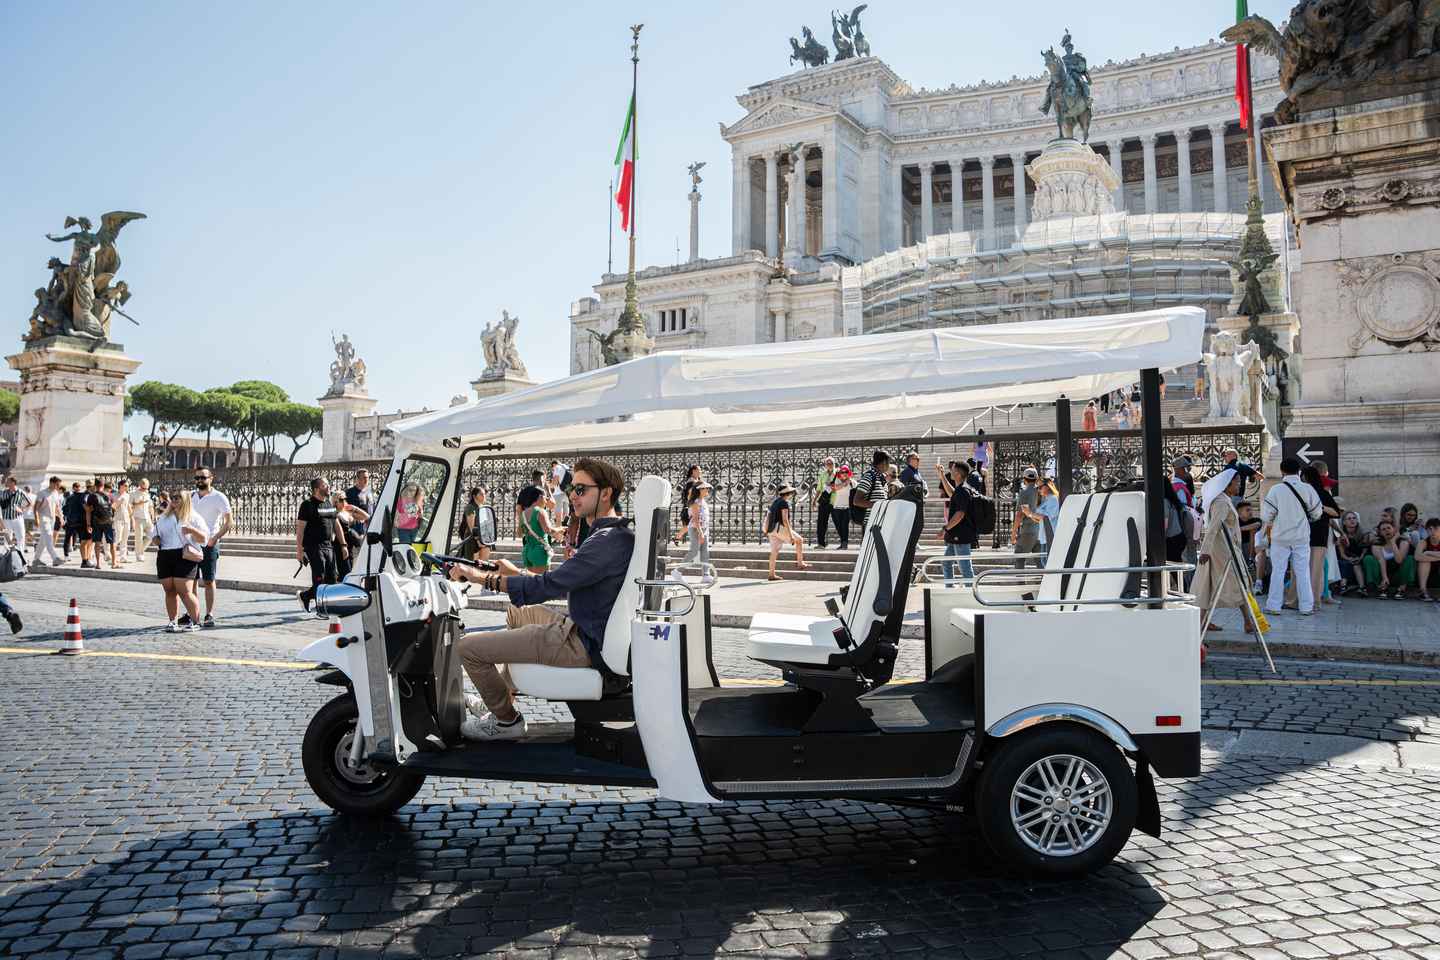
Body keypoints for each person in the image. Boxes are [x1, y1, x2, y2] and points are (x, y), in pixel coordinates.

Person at [447, 458, 636, 741]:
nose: (572, 495)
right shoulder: (611, 535)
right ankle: (503, 697)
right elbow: (564, 583)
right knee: (516, 613)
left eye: (582, 489)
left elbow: (549, 585)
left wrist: (478, 577)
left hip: (582, 644)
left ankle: (506, 720)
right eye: (572, 488)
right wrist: (517, 573)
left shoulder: (605, 540)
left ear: (606, 493)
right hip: (583, 629)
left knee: (467, 648)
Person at [1261, 456, 1322, 616]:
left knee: (1278, 571)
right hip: (1301, 536)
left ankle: (1274, 606)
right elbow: (1317, 513)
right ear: (1299, 471)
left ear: (1281, 471)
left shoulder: (1276, 490)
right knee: (1302, 571)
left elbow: (1267, 516)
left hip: (1280, 537)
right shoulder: (1308, 489)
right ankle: (1306, 607)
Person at [1193, 468, 1251, 633]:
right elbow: (1213, 528)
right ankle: (1248, 621)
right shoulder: (1221, 502)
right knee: (1239, 584)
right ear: (1228, 483)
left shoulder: (1224, 500)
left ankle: (1202, 622)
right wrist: (1205, 550)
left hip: (1221, 550)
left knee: (1209, 586)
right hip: (1223, 551)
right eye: (1237, 482)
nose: (1239, 485)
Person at [151, 488, 209, 633]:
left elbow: (204, 540)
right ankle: (173, 622)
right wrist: (155, 540)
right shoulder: (164, 517)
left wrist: (192, 531)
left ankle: (196, 621)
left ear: (186, 499)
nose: (175, 500)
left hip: (184, 555)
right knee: (169, 590)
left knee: (185, 591)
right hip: (165, 554)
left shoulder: (194, 517)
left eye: (178, 497)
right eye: (173, 497)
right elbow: (154, 536)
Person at [188, 469, 233, 628]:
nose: (199, 480)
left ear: (211, 478)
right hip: (192, 544)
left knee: (208, 580)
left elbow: (228, 522)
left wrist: (215, 538)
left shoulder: (219, 497)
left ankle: (209, 614)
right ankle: (192, 614)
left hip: (209, 544)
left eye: (203, 477)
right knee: (190, 581)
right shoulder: (191, 496)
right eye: (197, 477)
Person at [296, 477, 341, 611]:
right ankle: (321, 608)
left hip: (328, 546)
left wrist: (343, 545)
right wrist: (299, 550)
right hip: (313, 546)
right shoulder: (307, 505)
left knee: (332, 579)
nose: (328, 487)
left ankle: (305, 596)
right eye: (324, 485)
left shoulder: (328, 504)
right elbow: (300, 529)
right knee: (319, 578)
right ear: (316, 489)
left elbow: (336, 524)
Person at [1301, 464, 1341, 608]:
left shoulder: (1322, 493)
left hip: (1318, 535)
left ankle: (1314, 601)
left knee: (1316, 570)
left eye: (1304, 477)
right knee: (1303, 570)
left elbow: (1336, 512)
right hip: (1302, 535)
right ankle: (1304, 599)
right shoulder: (1301, 493)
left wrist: (1320, 507)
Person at [939, 461, 977, 585]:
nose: (951, 471)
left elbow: (960, 514)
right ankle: (950, 588)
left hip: (961, 536)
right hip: (955, 535)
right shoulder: (961, 489)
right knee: (946, 562)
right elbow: (952, 494)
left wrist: (945, 528)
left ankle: (972, 594)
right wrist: (942, 476)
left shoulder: (963, 491)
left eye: (953, 469)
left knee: (965, 567)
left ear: (958, 474)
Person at [765, 483, 809, 581]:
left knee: (774, 551)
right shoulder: (784, 503)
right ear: (788, 493)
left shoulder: (776, 502)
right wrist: (790, 535)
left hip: (771, 530)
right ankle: (800, 562)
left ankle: (771, 574)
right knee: (799, 540)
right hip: (779, 529)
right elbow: (785, 520)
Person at [1363, 519, 1415, 599]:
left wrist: (1393, 542)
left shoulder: (1403, 542)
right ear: (1380, 533)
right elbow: (1381, 559)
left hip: (1398, 575)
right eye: (1383, 529)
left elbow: (1399, 560)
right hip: (1382, 574)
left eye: (1388, 528)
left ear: (1394, 529)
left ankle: (1401, 589)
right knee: (1368, 558)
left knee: (1410, 559)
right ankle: (1382, 588)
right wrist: (1384, 577)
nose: (1387, 530)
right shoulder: (1377, 544)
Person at [519, 486, 563, 574]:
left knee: (530, 581)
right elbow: (548, 530)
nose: (546, 500)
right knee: (542, 582)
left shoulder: (523, 513)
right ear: (540, 497)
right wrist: (560, 529)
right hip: (540, 550)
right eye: (545, 497)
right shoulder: (540, 511)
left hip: (527, 550)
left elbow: (519, 533)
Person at [1011, 467, 1043, 569]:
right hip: (1040, 530)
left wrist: (1014, 532)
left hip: (1028, 530)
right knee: (1040, 560)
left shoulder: (1024, 493)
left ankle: (1020, 583)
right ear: (1037, 478)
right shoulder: (1041, 492)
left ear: (1024, 479)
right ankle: (1044, 582)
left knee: (1019, 557)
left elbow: (1020, 514)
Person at [332, 491, 369, 580]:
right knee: (345, 571)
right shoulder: (334, 513)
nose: (344, 501)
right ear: (335, 502)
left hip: (350, 544)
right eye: (341, 499)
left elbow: (366, 516)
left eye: (345, 499)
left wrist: (355, 508)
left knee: (351, 568)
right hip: (340, 544)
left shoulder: (348, 512)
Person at [852, 450, 890, 531]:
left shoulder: (882, 478)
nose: (889, 466)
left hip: (881, 523)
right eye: (888, 463)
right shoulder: (869, 477)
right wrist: (878, 505)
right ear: (883, 463)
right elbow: (856, 501)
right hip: (871, 525)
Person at [32, 476, 65, 567]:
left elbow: (57, 507)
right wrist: (37, 519)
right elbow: (35, 507)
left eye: (59, 485)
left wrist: (61, 518)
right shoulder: (42, 493)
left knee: (43, 541)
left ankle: (36, 560)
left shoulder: (56, 493)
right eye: (57, 484)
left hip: (52, 519)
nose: (58, 486)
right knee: (49, 538)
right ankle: (55, 558)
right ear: (51, 483)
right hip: (43, 518)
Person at [1336, 511, 1369, 596]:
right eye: (1349, 518)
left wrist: (1360, 558)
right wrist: (1349, 559)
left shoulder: (1363, 534)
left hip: (1359, 559)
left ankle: (1362, 588)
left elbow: (1364, 549)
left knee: (1357, 565)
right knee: (1344, 563)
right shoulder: (1341, 535)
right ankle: (1343, 586)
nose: (1352, 520)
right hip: (1346, 559)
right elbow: (1342, 553)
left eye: (1354, 518)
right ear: (1344, 522)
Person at [86, 480, 118, 568]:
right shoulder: (110, 495)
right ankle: (114, 563)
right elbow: (114, 508)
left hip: (97, 522)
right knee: (112, 543)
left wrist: (88, 524)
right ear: (103, 486)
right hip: (109, 522)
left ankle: (98, 564)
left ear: (95, 486)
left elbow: (88, 511)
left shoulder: (91, 496)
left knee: (97, 543)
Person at [457, 486, 492, 562]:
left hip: (483, 538)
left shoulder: (483, 508)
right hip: (473, 539)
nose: (484, 496)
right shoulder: (471, 508)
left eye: (484, 494)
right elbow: (471, 527)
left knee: (483, 564)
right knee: (473, 564)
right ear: (474, 496)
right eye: (481, 494)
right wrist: (478, 541)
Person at [683, 480, 712, 566]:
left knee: (705, 552)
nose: (707, 490)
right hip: (696, 529)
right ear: (700, 490)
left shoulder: (703, 502)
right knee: (694, 551)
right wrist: (701, 533)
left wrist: (704, 531)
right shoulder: (695, 503)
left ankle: (706, 575)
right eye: (705, 488)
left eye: (707, 488)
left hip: (704, 529)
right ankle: (677, 571)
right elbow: (695, 520)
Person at [0, 476, 31, 548]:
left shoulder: (21, 492)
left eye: (8, 481)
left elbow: (29, 503)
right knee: (7, 538)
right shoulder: (3, 492)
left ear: (13, 483)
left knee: (21, 536)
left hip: (18, 518)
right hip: (6, 519)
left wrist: (22, 509)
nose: (6, 482)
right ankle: (7, 555)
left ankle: (20, 553)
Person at [344, 469, 377, 537]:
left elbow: (373, 508)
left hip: (370, 528)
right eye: (364, 477)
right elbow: (346, 510)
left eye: (367, 477)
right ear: (358, 479)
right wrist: (363, 517)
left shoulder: (370, 492)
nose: (366, 479)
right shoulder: (350, 493)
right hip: (356, 530)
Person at [130, 478, 155, 561]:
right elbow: (129, 506)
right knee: (139, 537)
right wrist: (138, 503)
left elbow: (150, 506)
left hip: (147, 518)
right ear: (140, 485)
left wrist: (153, 516)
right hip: (138, 517)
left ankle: (140, 550)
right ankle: (139, 555)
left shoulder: (147, 494)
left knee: (152, 534)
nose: (145, 489)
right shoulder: (133, 494)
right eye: (144, 488)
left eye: (147, 488)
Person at [829, 465, 854, 550]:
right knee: (838, 526)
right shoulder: (836, 480)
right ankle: (843, 541)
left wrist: (848, 483)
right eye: (842, 472)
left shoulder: (852, 482)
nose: (844, 474)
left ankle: (844, 543)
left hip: (847, 507)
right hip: (836, 507)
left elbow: (856, 491)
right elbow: (834, 488)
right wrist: (844, 483)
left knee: (844, 526)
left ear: (849, 473)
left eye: (846, 472)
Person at [1416, 518, 1440, 602]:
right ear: (1426, 530)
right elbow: (1417, 557)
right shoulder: (1423, 542)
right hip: (1425, 572)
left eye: (1436, 528)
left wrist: (1428, 552)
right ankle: (1423, 591)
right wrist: (1437, 558)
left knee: (1425, 557)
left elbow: (1422, 555)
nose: (1432, 531)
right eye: (1430, 529)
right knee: (1424, 561)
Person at [814, 457, 836, 549]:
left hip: (835, 501)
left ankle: (843, 543)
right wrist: (814, 500)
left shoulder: (838, 473)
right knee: (821, 523)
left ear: (834, 464)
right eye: (827, 463)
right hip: (824, 501)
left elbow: (847, 480)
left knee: (839, 522)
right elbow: (819, 489)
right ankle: (821, 543)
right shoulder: (822, 475)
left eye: (831, 463)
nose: (829, 465)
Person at [1036, 476, 1061, 558]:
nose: (1038, 490)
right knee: (1044, 561)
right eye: (1037, 487)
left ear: (1047, 486)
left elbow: (1047, 517)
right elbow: (1040, 519)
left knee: (1046, 562)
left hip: (1050, 535)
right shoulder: (1045, 500)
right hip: (1044, 536)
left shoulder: (1053, 499)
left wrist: (1030, 513)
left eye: (1040, 487)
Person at [63, 481, 86, 562]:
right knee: (82, 539)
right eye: (77, 487)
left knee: (67, 538)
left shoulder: (69, 498)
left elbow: (64, 509)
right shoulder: (82, 497)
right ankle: (84, 556)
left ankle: (66, 555)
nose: (78, 488)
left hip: (71, 521)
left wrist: (67, 517)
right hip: (79, 521)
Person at [113, 479, 134, 564]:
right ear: (121, 486)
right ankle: (112, 556)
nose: (127, 487)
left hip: (126, 519)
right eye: (125, 485)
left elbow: (129, 508)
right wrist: (119, 501)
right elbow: (113, 507)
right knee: (118, 538)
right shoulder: (114, 495)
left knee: (125, 540)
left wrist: (132, 520)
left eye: (127, 486)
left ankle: (123, 557)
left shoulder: (127, 495)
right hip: (118, 519)